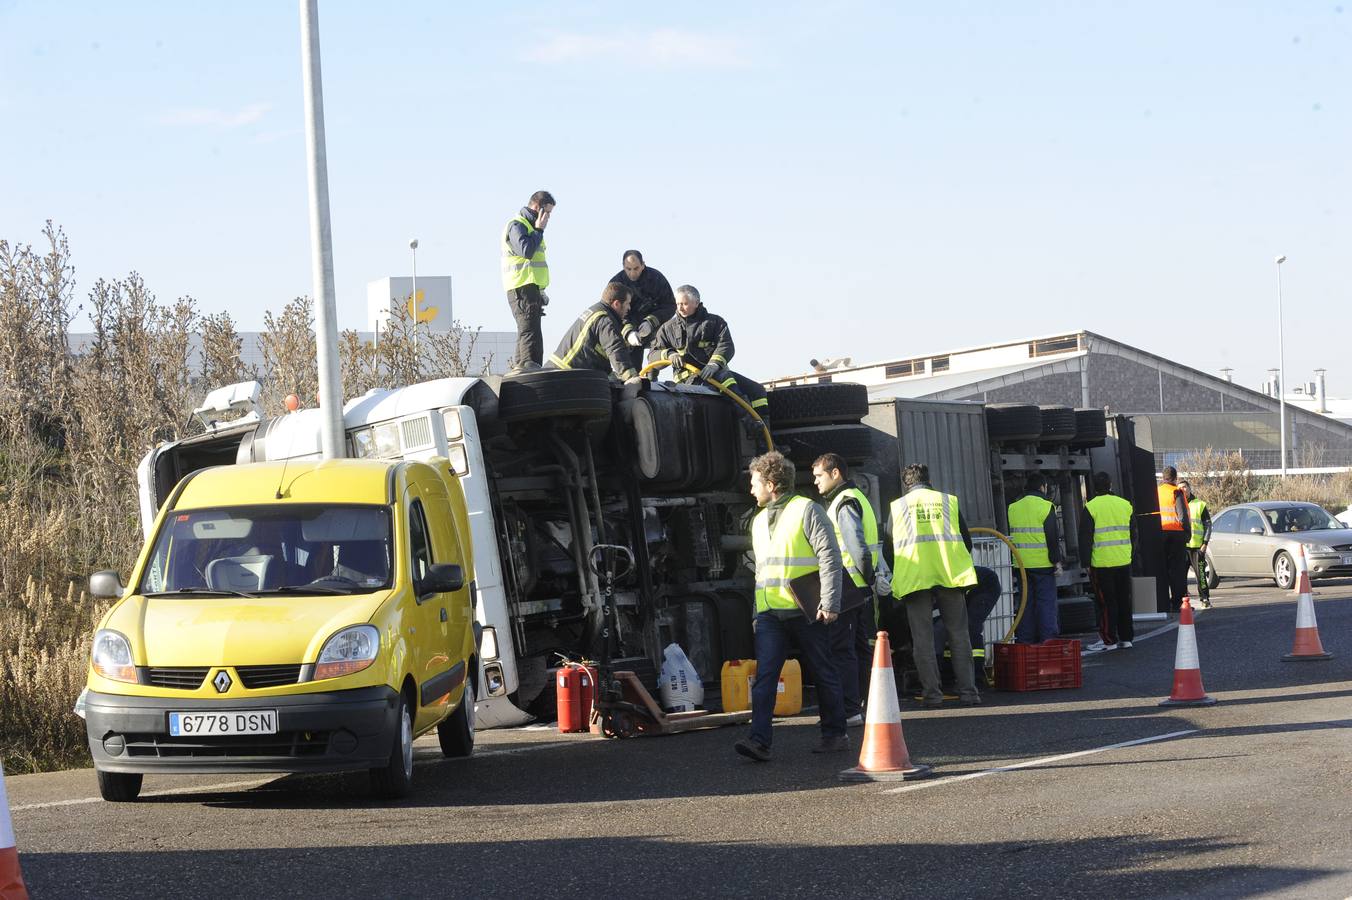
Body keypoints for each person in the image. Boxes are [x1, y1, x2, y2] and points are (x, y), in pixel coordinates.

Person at [735, 451, 849, 762]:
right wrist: (759, 613)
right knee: (765, 677)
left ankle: (835, 734)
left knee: (823, 671)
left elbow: (830, 557)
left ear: (771, 484)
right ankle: (759, 741)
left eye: (755, 483)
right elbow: (763, 571)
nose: (751, 490)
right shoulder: (758, 522)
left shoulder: (806, 510)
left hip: (807, 611)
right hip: (771, 613)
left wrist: (830, 602)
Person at [888, 462, 981, 708]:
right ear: (928, 479)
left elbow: (889, 549)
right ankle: (969, 692)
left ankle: (932, 695)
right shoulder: (948, 502)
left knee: (922, 639)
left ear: (906, 483)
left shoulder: (898, 508)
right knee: (959, 635)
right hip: (950, 575)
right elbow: (966, 541)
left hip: (916, 578)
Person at [811, 453, 889, 727]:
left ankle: (851, 709)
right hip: (860, 587)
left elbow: (856, 547)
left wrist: (866, 577)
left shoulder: (843, 504)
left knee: (842, 650)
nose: (815, 481)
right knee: (860, 648)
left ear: (836, 474)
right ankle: (870, 703)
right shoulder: (859, 498)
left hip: (848, 585)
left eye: (819, 475)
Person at [648, 285, 770, 422]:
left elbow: (726, 345)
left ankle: (764, 437)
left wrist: (714, 364)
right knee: (726, 378)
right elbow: (652, 356)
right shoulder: (667, 329)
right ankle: (750, 423)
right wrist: (669, 354)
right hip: (689, 381)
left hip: (715, 373)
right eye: (678, 304)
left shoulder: (715, 322)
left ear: (696, 302)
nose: (680, 308)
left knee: (757, 391)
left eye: (684, 303)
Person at [1080, 472, 1137, 651]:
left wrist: (1086, 563)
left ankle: (1108, 639)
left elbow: (1085, 538)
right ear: (1111, 485)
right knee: (1124, 600)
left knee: (1106, 602)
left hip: (1101, 563)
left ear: (1094, 488)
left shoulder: (1091, 507)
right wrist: (1130, 553)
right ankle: (1126, 638)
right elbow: (1134, 533)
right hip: (1123, 559)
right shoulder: (1125, 505)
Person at [501, 190, 555, 371]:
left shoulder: (530, 228)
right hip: (520, 288)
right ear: (537, 208)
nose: (548, 217)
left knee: (530, 331)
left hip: (530, 288)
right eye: (547, 212)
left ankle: (523, 370)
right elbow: (526, 251)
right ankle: (528, 371)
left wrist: (540, 291)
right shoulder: (517, 225)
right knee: (529, 332)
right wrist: (539, 229)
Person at [545, 283, 642, 383]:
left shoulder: (597, 312)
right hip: (564, 377)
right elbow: (615, 349)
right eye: (627, 303)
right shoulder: (605, 321)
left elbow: (595, 355)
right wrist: (631, 376)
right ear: (616, 304)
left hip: (559, 374)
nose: (629, 308)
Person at [1007, 472, 1062, 643]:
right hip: (1043, 565)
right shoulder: (1046, 507)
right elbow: (1052, 537)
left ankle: (1025, 642)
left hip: (1021, 565)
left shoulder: (1013, 507)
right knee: (1046, 604)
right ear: (1042, 487)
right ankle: (1048, 642)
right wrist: (1056, 562)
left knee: (1025, 604)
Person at [936, 565, 1002, 689]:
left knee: (971, 627)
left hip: (986, 587)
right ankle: (948, 674)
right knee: (948, 627)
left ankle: (977, 676)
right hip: (965, 590)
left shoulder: (936, 583)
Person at [608, 250, 676, 370]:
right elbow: (612, 313)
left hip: (654, 327)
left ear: (643, 264)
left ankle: (652, 374)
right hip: (628, 329)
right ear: (623, 266)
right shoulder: (616, 285)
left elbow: (670, 306)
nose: (632, 273)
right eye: (628, 269)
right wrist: (628, 332)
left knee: (660, 350)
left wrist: (651, 322)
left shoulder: (657, 279)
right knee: (633, 367)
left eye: (636, 268)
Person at [1156, 466, 1191, 609]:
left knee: (1162, 568)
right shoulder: (1176, 492)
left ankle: (1163, 603)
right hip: (1176, 534)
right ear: (1175, 478)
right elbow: (1182, 515)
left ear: (1163, 478)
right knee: (1177, 570)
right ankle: (1178, 603)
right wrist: (1187, 533)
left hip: (1159, 533)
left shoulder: (1156, 492)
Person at [1179, 480, 1212, 608]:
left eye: (1185, 487)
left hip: (1197, 547)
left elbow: (1208, 525)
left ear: (1189, 488)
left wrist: (1205, 543)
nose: (1183, 490)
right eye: (1180, 488)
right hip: (1182, 547)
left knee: (1201, 575)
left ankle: (1204, 598)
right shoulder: (1176, 504)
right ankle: (1183, 598)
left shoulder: (1200, 505)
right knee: (1181, 576)